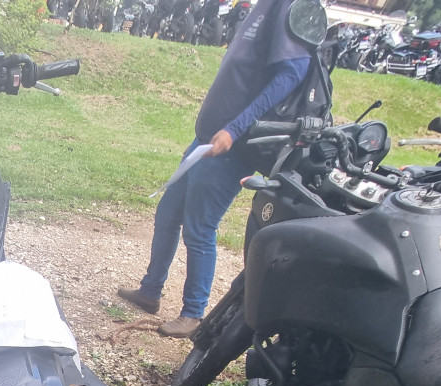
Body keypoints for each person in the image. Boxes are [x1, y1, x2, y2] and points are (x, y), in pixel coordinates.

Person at [117, 0, 315, 337]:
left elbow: (294, 71)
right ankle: (150, 291)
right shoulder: (263, 6)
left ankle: (193, 314)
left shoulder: (286, 6)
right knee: (168, 213)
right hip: (206, 139)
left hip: (232, 146)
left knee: (199, 227)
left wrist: (234, 129)